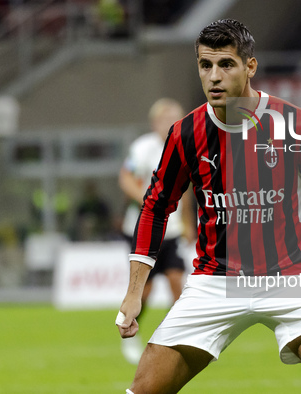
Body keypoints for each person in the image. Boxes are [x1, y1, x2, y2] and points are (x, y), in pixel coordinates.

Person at [117, 19, 301, 393]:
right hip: (215, 282)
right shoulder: (186, 133)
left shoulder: (295, 125)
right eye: (205, 65)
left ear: (250, 66)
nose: (213, 76)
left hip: (292, 278)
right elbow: (155, 206)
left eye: (226, 64)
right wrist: (134, 291)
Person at [119, 98, 194, 364]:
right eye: (166, 118)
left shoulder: (186, 147)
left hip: (172, 231)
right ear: (155, 122)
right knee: (145, 291)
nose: (172, 123)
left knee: (178, 284)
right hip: (143, 228)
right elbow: (125, 177)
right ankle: (129, 333)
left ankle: (172, 339)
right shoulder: (143, 147)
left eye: (177, 118)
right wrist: (148, 203)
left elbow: (188, 191)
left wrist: (188, 224)